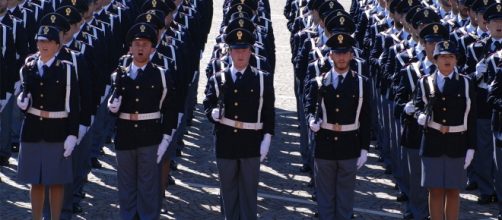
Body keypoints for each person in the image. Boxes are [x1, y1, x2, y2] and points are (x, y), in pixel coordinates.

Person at [107, 22, 178, 220]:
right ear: (130, 48)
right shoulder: (118, 75)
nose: (140, 48)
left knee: (148, 186)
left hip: (150, 136)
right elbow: (112, 109)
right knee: (126, 184)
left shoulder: (161, 76)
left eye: (145, 44)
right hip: (126, 135)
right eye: (136, 44)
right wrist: (112, 108)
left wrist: (165, 139)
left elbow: (169, 110)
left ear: (152, 48)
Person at [203, 27, 275, 219]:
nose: (240, 54)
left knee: (249, 193)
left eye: (244, 50)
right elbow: (207, 104)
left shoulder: (262, 79)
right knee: (228, 192)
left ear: (251, 51)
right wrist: (212, 113)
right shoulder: (219, 78)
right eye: (236, 50)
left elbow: (269, 112)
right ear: (229, 52)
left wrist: (267, 138)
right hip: (225, 142)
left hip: (251, 142)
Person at [16, 24, 80, 220]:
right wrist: (22, 102)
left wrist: (72, 134)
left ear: (57, 46)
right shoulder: (28, 67)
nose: (43, 45)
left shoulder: (67, 70)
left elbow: (73, 105)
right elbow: (25, 94)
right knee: (36, 181)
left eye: (48, 42)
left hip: (57, 129)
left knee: (56, 181)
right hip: (33, 128)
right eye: (40, 41)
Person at [305, 33, 371, 220]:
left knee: (345, 199)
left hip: (349, 145)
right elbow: (309, 107)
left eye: (345, 53)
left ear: (351, 55)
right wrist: (311, 121)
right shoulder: (318, 82)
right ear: (330, 56)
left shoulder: (361, 83)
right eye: (337, 53)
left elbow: (366, 118)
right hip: (324, 144)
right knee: (324, 198)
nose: (341, 57)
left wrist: (364, 148)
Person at [414, 40, 476, 220]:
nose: (447, 60)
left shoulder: (465, 83)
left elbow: (472, 116)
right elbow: (417, 105)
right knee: (435, 191)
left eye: (451, 56)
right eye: (443, 57)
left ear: (456, 60)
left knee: (453, 191)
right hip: (432, 142)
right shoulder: (425, 82)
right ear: (435, 60)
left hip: (457, 142)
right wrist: (419, 115)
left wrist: (472, 147)